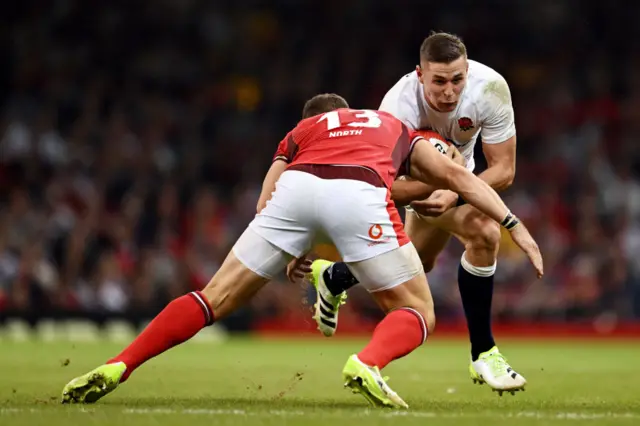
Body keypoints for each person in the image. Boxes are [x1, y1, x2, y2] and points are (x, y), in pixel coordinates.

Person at [60, 94, 542, 408]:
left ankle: (120, 364)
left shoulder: (302, 131)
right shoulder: (391, 125)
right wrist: (513, 225)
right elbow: (456, 179)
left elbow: (268, 195)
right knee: (416, 311)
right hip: (359, 194)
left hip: (293, 192)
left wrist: (291, 239)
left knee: (213, 298)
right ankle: (368, 362)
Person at [306, 32, 528, 394]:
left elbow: (504, 170)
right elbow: (381, 186)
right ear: (420, 74)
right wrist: (436, 189)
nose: (449, 92)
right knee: (484, 233)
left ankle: (336, 276)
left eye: (457, 80)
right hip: (413, 188)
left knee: (418, 265)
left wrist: (454, 193)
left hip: (459, 187)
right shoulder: (396, 108)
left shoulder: (490, 89)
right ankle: (484, 353)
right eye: (438, 81)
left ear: (467, 71)